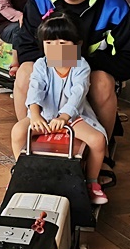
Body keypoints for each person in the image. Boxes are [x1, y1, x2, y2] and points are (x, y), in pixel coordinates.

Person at [11, 0, 130, 185]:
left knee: (102, 80)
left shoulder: (113, 6)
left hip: (88, 78)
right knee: (26, 72)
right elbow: (27, 47)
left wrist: (78, 65)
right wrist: (61, 64)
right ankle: (31, 148)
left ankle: (99, 155)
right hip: (48, 80)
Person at [11, 12, 108, 205]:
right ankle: (21, 172)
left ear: (77, 45)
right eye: (49, 44)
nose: (56, 50)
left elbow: (77, 94)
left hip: (73, 117)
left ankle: (92, 182)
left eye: (63, 45)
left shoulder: (81, 66)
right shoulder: (41, 64)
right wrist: (36, 115)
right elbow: (35, 89)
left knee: (97, 141)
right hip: (44, 114)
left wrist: (64, 117)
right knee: (18, 132)